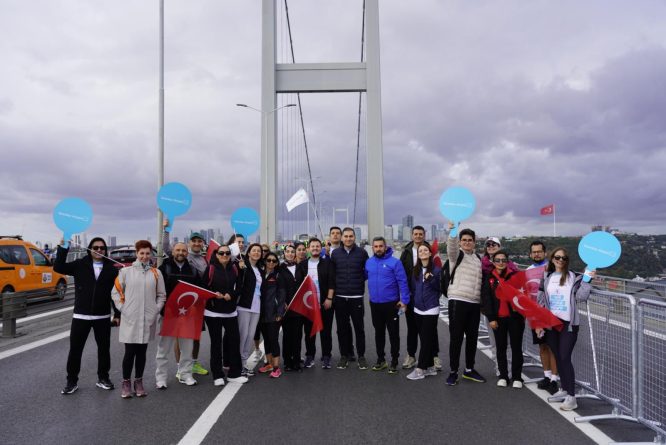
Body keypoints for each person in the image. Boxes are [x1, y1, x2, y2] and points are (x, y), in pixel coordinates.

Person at [54, 237, 120, 395]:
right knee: (75, 350)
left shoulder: (112, 269)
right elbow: (58, 267)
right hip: (80, 316)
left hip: (102, 316)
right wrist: (64, 247)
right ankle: (71, 382)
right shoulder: (80, 264)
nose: (99, 250)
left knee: (104, 349)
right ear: (89, 249)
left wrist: (117, 314)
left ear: (106, 251)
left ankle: (103, 378)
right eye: (95, 247)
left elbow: (115, 294)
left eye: (102, 248)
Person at [536, 248, 593, 411]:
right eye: (558, 257)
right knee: (558, 357)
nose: (561, 260)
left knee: (565, 357)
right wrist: (539, 322)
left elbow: (581, 297)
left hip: (568, 324)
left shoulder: (574, 277)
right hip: (551, 323)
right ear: (552, 259)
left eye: (564, 258)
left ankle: (572, 397)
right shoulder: (547, 277)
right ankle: (564, 389)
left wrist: (587, 281)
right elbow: (541, 301)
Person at [111, 240, 166, 398]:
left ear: (151, 254)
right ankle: (126, 383)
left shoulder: (156, 273)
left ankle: (139, 381)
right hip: (130, 318)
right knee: (130, 352)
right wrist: (123, 309)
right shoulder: (125, 272)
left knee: (142, 352)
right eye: (141, 253)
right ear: (137, 253)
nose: (144, 256)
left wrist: (156, 310)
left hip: (147, 318)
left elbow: (161, 295)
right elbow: (116, 292)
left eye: (147, 253)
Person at [162, 224, 209, 377]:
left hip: (197, 303)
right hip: (179, 303)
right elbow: (165, 247)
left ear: (202, 243)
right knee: (179, 336)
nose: (196, 243)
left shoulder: (204, 259)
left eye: (199, 241)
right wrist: (166, 230)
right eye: (194, 241)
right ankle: (179, 366)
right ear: (189, 244)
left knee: (196, 335)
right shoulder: (183, 256)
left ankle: (193, 363)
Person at [155, 242, 200, 388]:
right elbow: (157, 291)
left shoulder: (193, 270)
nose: (181, 252)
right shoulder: (164, 268)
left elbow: (199, 291)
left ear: (187, 253)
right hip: (168, 315)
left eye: (183, 250)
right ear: (173, 251)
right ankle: (161, 378)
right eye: (178, 250)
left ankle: (185, 374)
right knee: (163, 349)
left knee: (187, 348)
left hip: (187, 315)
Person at [445, 222, 485, 385]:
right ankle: (453, 371)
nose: (467, 242)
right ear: (460, 242)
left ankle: (469, 369)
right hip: (458, 301)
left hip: (474, 303)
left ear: (474, 242)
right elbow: (451, 246)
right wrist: (453, 231)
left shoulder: (477, 258)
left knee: (472, 338)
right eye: (465, 240)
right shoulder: (456, 255)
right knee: (456, 338)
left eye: (470, 240)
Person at [204, 244, 248, 385]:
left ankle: (234, 373)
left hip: (230, 312)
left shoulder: (234, 268)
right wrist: (213, 295)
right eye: (221, 253)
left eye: (227, 253)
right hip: (213, 312)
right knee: (216, 344)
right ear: (216, 254)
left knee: (234, 342)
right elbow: (203, 287)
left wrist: (232, 294)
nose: (224, 255)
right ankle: (217, 375)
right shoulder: (210, 269)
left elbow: (240, 286)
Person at [481, 250, 525, 388]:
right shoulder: (489, 278)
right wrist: (491, 318)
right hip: (498, 319)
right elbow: (486, 299)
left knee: (516, 347)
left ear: (507, 262)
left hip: (515, 318)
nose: (500, 263)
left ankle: (517, 377)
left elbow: (523, 295)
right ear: (493, 262)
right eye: (497, 260)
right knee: (501, 348)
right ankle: (503, 375)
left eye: (503, 260)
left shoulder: (515, 276)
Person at [365, 237, 409, 373]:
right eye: (376, 246)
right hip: (375, 304)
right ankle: (381, 360)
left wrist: (405, 301)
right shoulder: (369, 262)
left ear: (385, 247)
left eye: (380, 246)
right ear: (372, 248)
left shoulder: (395, 263)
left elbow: (403, 282)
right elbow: (362, 276)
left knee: (393, 333)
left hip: (391, 304)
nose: (378, 249)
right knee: (379, 333)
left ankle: (394, 361)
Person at [399, 225, 441, 370]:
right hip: (411, 296)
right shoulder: (406, 252)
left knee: (431, 330)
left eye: (420, 234)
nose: (418, 236)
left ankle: (434, 357)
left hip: (429, 298)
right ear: (412, 235)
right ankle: (411, 356)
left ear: (424, 235)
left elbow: (438, 274)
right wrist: (403, 296)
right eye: (415, 234)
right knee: (412, 328)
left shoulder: (432, 251)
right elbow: (401, 275)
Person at [331, 227, 369, 370]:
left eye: (350, 236)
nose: (348, 239)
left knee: (359, 328)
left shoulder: (362, 253)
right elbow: (332, 274)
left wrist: (358, 281)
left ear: (354, 237)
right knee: (342, 329)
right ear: (341, 238)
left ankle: (361, 356)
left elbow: (367, 272)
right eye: (345, 236)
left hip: (357, 296)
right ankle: (344, 356)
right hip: (340, 297)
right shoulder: (335, 254)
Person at [296, 238, 336, 369]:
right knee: (309, 332)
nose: (315, 248)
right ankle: (310, 356)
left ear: (321, 248)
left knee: (326, 331)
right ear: (309, 249)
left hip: (325, 303)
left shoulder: (328, 263)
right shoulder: (302, 265)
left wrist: (329, 299)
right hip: (309, 305)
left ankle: (326, 356)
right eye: (312, 246)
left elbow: (331, 282)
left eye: (317, 246)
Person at [527, 241, 559, 394]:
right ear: (530, 254)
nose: (537, 254)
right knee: (543, 346)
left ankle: (554, 379)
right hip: (535, 315)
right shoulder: (527, 271)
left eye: (539, 251)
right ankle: (546, 376)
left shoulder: (553, 268)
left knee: (553, 347)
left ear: (545, 253)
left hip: (552, 314)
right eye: (534, 252)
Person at [407, 244, 442, 380]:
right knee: (425, 338)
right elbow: (414, 289)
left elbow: (439, 289)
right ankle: (431, 367)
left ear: (430, 253)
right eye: (420, 251)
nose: (423, 252)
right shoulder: (415, 271)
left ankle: (420, 369)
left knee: (426, 340)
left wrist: (431, 278)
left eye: (425, 250)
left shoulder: (437, 270)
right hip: (417, 309)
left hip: (431, 309)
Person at [236, 243, 264, 376]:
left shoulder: (259, 269)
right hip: (244, 305)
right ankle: (238, 364)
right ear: (248, 253)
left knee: (250, 335)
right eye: (254, 250)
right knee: (243, 335)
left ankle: (244, 362)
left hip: (256, 306)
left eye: (259, 251)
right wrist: (240, 268)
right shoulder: (243, 266)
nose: (256, 253)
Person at [257, 252, 286, 378]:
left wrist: (280, 312)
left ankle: (276, 367)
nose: (271, 263)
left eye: (274, 261)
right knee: (267, 340)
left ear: (276, 263)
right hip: (261, 313)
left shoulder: (278, 276)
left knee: (273, 340)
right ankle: (268, 364)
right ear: (265, 261)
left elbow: (281, 295)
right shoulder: (260, 274)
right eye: (268, 260)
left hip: (274, 313)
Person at [280, 244, 304, 372]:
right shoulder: (280, 268)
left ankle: (296, 361)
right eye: (287, 252)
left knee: (297, 335)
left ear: (295, 254)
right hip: (286, 307)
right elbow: (278, 287)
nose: (290, 254)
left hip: (298, 306)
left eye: (292, 252)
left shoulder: (300, 268)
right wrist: (282, 302)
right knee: (287, 335)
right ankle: (287, 361)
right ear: (284, 254)